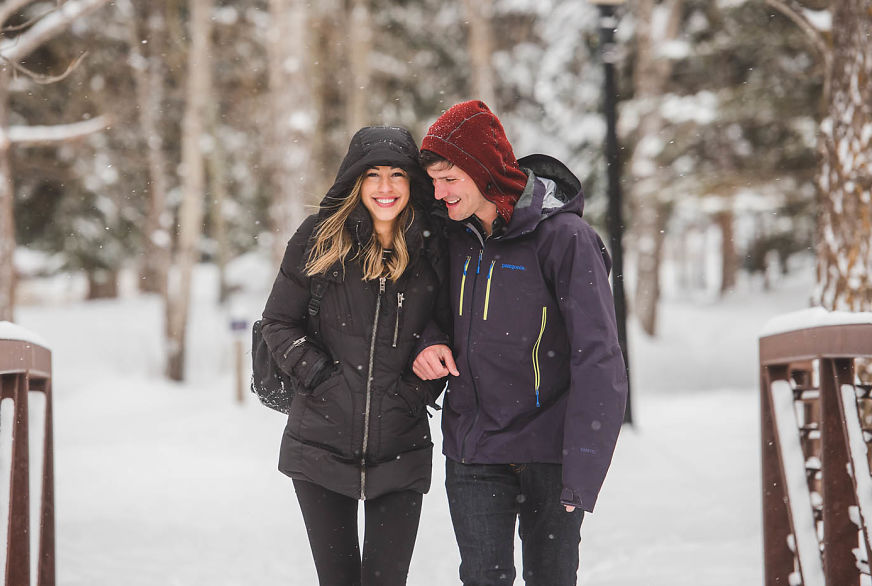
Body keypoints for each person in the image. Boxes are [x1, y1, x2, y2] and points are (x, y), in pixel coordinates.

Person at [412, 100, 628, 586]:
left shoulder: (565, 239)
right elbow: (430, 310)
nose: (439, 193)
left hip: (549, 450)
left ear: (484, 172)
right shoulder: (453, 235)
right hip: (474, 447)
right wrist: (430, 341)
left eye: (450, 179)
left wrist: (584, 467)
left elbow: (599, 357)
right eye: (434, 181)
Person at [261, 126, 450, 586]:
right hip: (319, 443)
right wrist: (321, 379)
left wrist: (417, 389)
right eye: (373, 175)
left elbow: (452, 330)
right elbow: (277, 323)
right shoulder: (319, 239)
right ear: (355, 181)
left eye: (397, 175)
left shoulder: (435, 246)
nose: (385, 188)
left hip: (400, 444)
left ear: (412, 182)